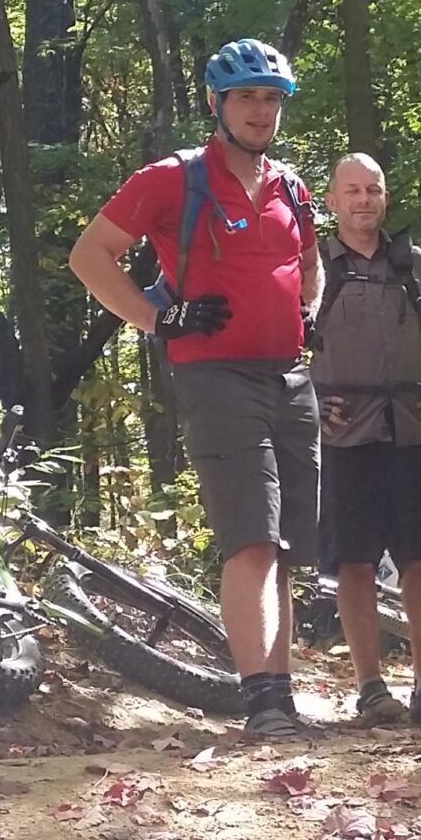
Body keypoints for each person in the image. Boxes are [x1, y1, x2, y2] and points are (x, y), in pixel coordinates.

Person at [67, 38, 323, 740]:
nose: (261, 111)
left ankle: (282, 700)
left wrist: (309, 312)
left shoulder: (291, 186)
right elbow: (89, 255)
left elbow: (309, 258)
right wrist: (158, 317)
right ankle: (264, 702)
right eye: (247, 97)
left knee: (287, 546)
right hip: (215, 375)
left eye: (271, 99)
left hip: (289, 376)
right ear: (217, 104)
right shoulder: (170, 179)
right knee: (251, 538)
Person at [311, 154, 421, 728]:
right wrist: (308, 403)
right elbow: (279, 344)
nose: (364, 200)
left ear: (385, 197)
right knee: (353, 564)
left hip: (411, 433)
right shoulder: (311, 267)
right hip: (344, 437)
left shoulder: (416, 266)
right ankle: (370, 689)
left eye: (374, 190)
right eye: (352, 191)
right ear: (330, 201)